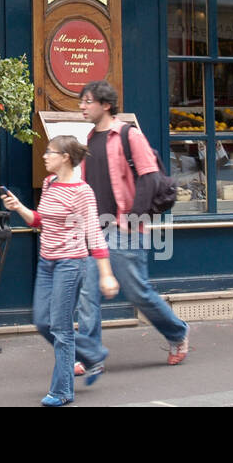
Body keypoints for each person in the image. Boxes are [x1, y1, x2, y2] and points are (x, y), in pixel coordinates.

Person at [76, 80, 190, 373]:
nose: (82, 106)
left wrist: (134, 218)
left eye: (88, 101)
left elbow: (150, 177)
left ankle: (177, 333)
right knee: (88, 292)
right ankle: (89, 356)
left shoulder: (129, 135)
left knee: (137, 292)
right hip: (96, 229)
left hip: (124, 226)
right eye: (82, 101)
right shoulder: (90, 138)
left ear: (106, 105)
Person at [1, 135, 119, 406]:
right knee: (43, 322)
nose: (44, 156)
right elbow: (40, 221)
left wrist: (106, 272)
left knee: (61, 328)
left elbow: (93, 233)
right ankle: (92, 353)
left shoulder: (82, 191)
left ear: (65, 157)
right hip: (47, 261)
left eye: (50, 152)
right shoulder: (50, 183)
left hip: (70, 263)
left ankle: (62, 390)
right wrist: (19, 207)